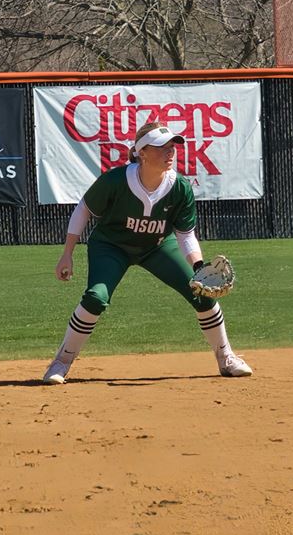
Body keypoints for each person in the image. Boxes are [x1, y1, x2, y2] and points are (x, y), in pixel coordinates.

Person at [43, 123, 254, 384]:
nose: (171, 152)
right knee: (96, 298)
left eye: (172, 147)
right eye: (162, 147)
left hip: (157, 246)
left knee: (200, 291)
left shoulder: (179, 187)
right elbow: (84, 209)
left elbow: (185, 234)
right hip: (111, 246)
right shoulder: (116, 180)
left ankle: (227, 358)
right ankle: (61, 362)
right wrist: (67, 254)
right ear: (141, 152)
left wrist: (199, 266)